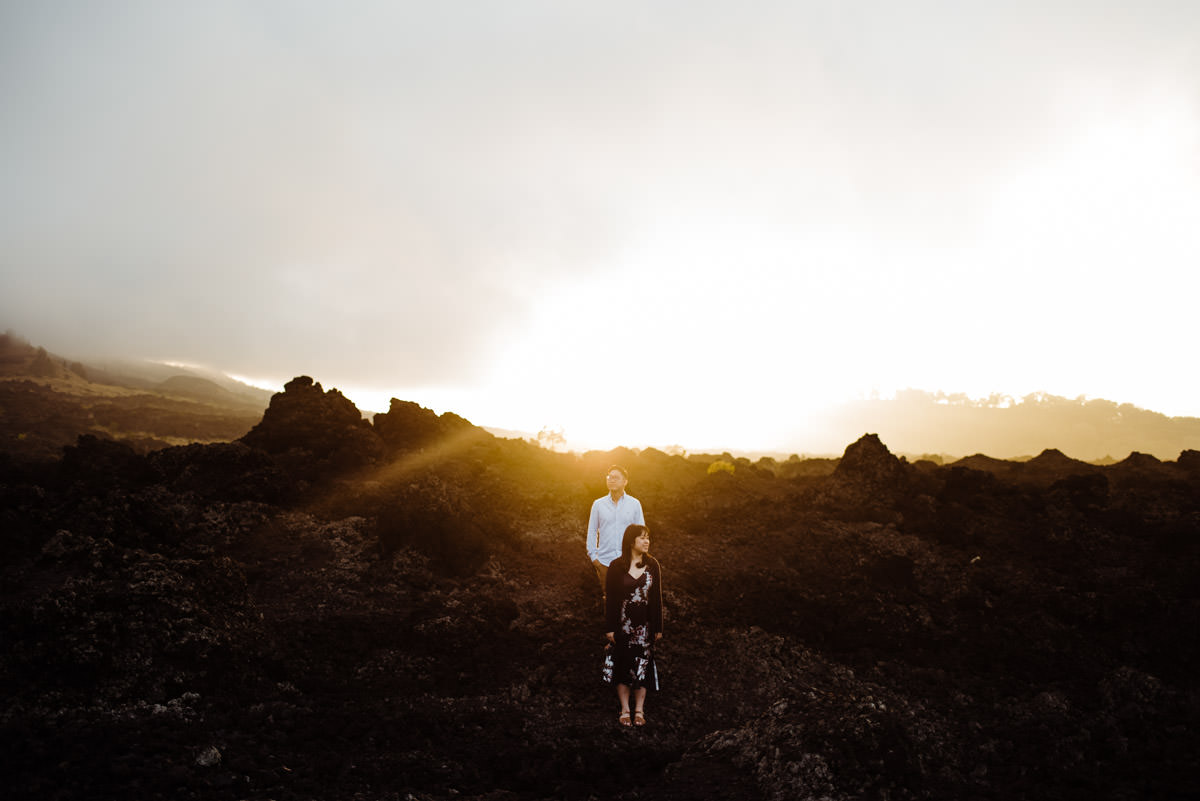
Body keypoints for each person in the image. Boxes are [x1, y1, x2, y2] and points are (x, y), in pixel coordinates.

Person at [604, 524, 663, 727]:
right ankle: (625, 709)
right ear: (631, 542)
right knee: (623, 665)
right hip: (623, 625)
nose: (647, 541)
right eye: (642, 538)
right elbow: (610, 599)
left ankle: (639, 709)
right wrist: (610, 627)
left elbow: (656, 599)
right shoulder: (616, 566)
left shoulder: (653, 565)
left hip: (645, 626)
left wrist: (658, 627)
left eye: (648, 538)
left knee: (642, 666)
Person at [586, 465, 645, 602]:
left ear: (625, 481)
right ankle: (611, 624)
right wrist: (594, 557)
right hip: (605, 562)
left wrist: (638, 559)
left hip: (629, 562)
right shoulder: (598, 504)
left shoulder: (634, 504)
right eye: (609, 477)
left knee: (630, 600)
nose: (611, 480)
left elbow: (641, 533)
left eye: (616, 478)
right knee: (609, 600)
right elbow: (592, 531)